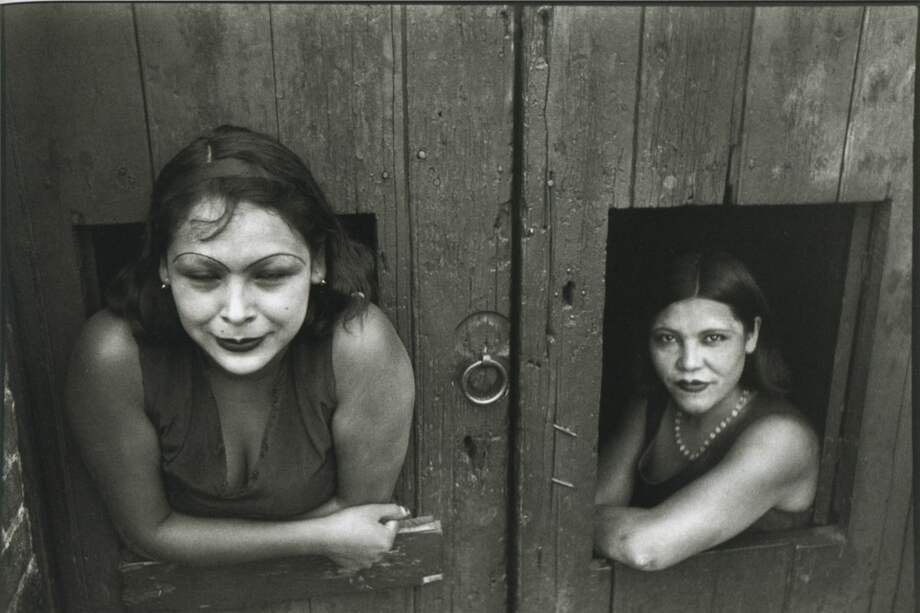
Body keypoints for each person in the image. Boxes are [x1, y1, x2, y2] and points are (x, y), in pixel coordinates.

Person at [66, 125, 415, 570]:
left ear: (318, 262)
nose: (235, 312)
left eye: (270, 275)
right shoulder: (115, 358)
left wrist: (199, 537)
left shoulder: (358, 348)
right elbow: (147, 531)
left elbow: (362, 513)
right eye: (202, 276)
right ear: (164, 267)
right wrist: (321, 536)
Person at [594, 250, 818, 571]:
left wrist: (603, 522)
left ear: (752, 335)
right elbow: (584, 512)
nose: (689, 363)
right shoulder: (650, 407)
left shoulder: (784, 440)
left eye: (713, 338)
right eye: (667, 339)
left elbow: (644, 547)